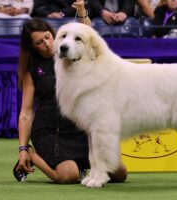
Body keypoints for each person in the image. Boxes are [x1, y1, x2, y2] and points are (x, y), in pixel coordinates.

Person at [14, 0, 127, 184]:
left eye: (48, 37)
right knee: (68, 176)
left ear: (54, 34)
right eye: (39, 42)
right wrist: (23, 149)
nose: (47, 44)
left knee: (119, 174)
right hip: (51, 131)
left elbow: (87, 36)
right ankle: (35, 156)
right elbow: (26, 112)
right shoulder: (33, 70)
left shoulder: (74, 57)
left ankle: (82, 166)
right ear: (33, 47)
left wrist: (82, 11)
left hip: (79, 129)